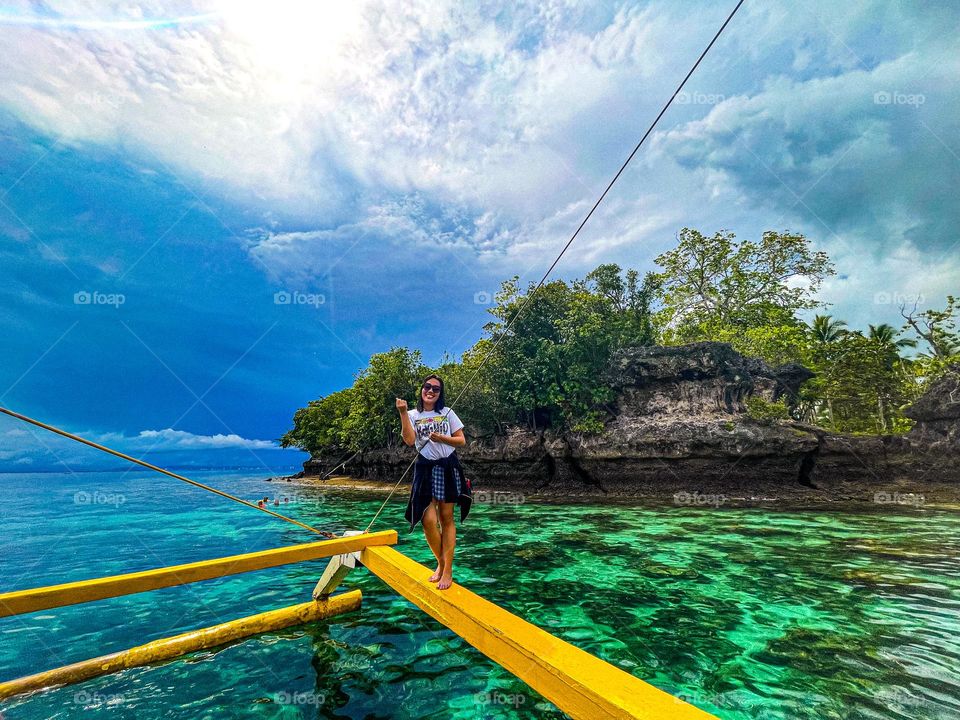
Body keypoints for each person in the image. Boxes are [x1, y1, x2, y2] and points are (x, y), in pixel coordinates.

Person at [397, 374, 471, 590]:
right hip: (425, 468)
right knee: (428, 519)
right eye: (427, 387)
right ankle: (441, 562)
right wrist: (402, 412)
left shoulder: (447, 412)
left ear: (440, 393)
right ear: (422, 389)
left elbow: (461, 440)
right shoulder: (412, 414)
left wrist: (442, 438)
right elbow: (409, 440)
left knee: (446, 518)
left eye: (436, 389)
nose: (430, 391)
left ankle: (447, 570)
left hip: (447, 465)